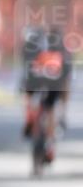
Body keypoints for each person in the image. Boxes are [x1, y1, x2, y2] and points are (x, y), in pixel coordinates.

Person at [22, 27, 71, 162]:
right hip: (53, 83)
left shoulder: (36, 47)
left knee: (30, 96)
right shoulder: (63, 52)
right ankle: (49, 144)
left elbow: (28, 73)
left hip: (37, 81)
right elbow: (65, 82)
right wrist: (64, 110)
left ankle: (30, 119)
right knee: (50, 109)